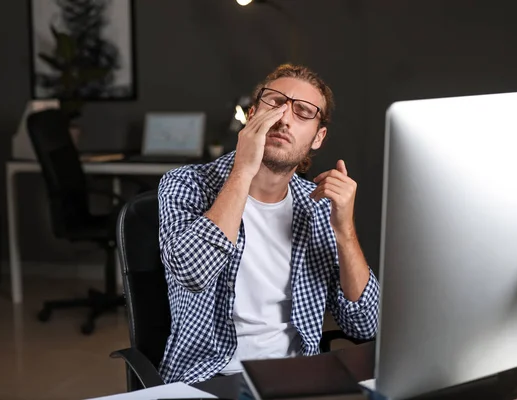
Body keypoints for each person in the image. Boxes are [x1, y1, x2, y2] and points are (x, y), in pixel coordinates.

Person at [157, 64, 380, 384]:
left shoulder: (317, 206)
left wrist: (344, 231)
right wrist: (243, 170)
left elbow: (365, 325)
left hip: (297, 375)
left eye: (303, 111)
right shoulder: (187, 184)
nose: (284, 118)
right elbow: (192, 272)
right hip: (207, 377)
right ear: (252, 115)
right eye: (275, 103)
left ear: (319, 138)